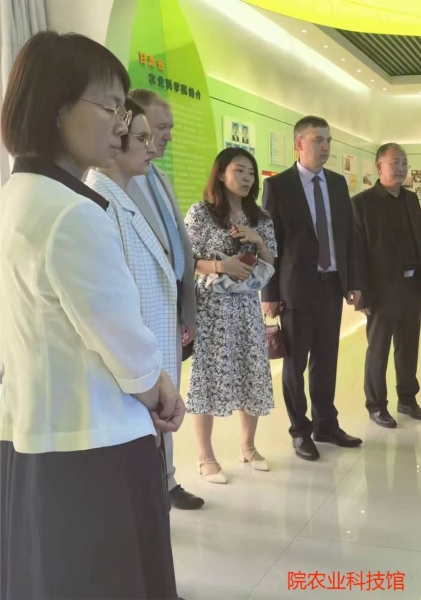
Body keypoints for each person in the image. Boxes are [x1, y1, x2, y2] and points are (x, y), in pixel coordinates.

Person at [0, 31, 182, 598]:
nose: (123, 127)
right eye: (111, 108)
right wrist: (159, 389)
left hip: (33, 432)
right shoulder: (72, 213)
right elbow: (120, 340)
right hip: (94, 445)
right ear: (56, 108)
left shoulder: (17, 196)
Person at [262, 116, 363, 461]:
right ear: (298, 144)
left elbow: (348, 237)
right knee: (295, 365)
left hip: (331, 286)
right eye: (318, 140)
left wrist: (353, 282)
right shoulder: (279, 187)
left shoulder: (337, 183)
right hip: (295, 291)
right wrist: (269, 294)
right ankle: (300, 431)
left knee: (326, 360)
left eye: (328, 141)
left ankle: (326, 424)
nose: (325, 147)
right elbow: (270, 244)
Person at [123, 88, 204, 510]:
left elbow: (177, 247)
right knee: (151, 403)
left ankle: (167, 479)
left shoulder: (159, 177)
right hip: (140, 318)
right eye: (160, 127)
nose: (167, 135)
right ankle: (153, 486)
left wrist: (186, 309)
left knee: (170, 398)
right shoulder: (114, 184)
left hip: (169, 310)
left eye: (169, 127)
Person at [185, 148, 276, 483]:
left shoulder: (261, 217)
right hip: (212, 309)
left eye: (251, 173)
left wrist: (257, 241)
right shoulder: (201, 213)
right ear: (221, 174)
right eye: (239, 170)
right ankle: (206, 457)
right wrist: (222, 266)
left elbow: (272, 259)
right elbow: (186, 260)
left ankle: (248, 447)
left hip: (247, 307)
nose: (247, 178)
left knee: (252, 372)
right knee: (209, 376)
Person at [352, 143, 421, 428]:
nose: (400, 168)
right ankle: (376, 405)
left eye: (404, 163)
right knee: (378, 350)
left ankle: (407, 399)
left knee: (408, 347)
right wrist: (362, 295)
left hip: (410, 287)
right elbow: (357, 252)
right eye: (394, 163)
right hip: (380, 292)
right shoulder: (362, 202)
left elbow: (420, 243)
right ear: (379, 167)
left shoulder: (411, 199)